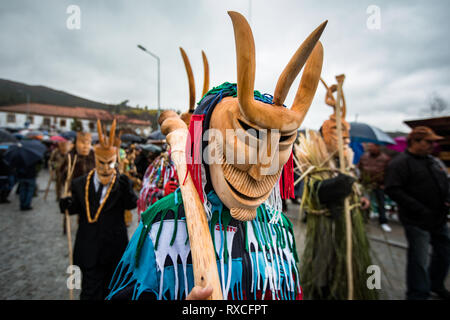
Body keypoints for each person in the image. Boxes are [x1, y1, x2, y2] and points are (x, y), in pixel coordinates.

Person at [106, 11, 326, 300]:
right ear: (203, 145)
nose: (260, 173)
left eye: (281, 143)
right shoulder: (162, 225)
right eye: (246, 140)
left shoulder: (280, 226)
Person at [296, 74, 376, 300]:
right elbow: (311, 191)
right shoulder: (314, 161)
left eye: (346, 133)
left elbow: (356, 185)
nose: (344, 137)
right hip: (325, 227)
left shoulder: (348, 161)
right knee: (323, 270)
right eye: (337, 133)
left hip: (350, 224)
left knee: (351, 266)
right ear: (323, 134)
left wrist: (361, 197)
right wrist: (336, 186)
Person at [59, 119, 138, 300]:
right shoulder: (80, 184)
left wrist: (126, 187)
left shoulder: (121, 182)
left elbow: (131, 204)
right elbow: (73, 210)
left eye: (110, 163)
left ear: (115, 161)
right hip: (89, 249)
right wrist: (66, 204)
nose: (105, 168)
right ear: (95, 160)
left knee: (111, 292)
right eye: (101, 163)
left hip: (114, 250)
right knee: (90, 293)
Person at [385, 126, 450, 300]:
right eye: (428, 142)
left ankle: (436, 284)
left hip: (439, 217)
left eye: (433, 142)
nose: (432, 145)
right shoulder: (400, 163)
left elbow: (444, 182)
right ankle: (417, 293)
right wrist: (419, 208)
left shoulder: (433, 161)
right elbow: (393, 189)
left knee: (444, 252)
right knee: (419, 258)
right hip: (416, 220)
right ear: (414, 142)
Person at [358, 143, 392, 232]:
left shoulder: (385, 158)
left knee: (381, 203)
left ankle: (383, 221)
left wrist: (384, 183)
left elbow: (389, 172)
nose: (370, 148)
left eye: (372, 147)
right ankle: (364, 219)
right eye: (369, 147)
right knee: (364, 202)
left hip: (378, 184)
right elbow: (360, 167)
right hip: (366, 183)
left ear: (378, 147)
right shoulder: (364, 156)